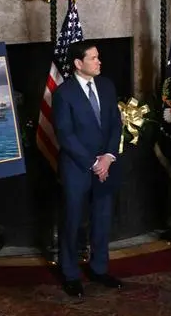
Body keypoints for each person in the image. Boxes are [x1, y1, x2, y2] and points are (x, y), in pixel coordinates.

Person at [52, 40, 123, 298]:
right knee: (72, 221)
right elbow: (65, 134)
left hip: (106, 165)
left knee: (102, 219)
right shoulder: (63, 93)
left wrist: (108, 157)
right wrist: (93, 163)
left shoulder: (107, 85)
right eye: (93, 58)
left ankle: (99, 268)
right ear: (78, 63)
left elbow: (115, 124)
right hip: (77, 167)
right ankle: (70, 273)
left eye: (98, 57)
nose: (99, 62)